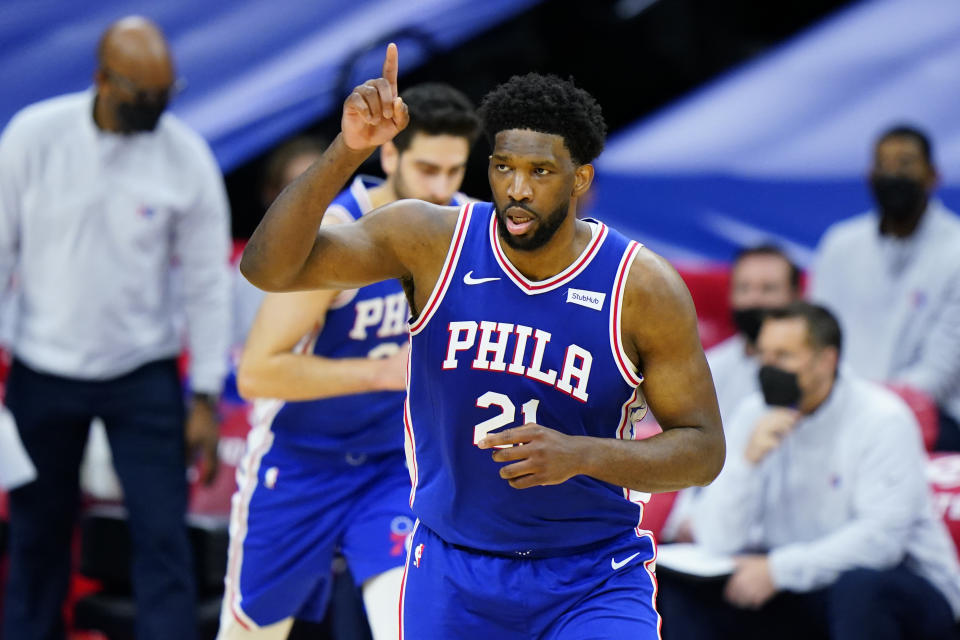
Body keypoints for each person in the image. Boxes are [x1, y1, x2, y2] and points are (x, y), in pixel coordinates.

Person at [239, 44, 724, 638]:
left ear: (581, 179)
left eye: (540, 172)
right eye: (503, 167)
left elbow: (703, 451)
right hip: (453, 571)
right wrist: (349, 150)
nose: (517, 188)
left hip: (591, 575)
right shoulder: (430, 240)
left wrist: (581, 454)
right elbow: (269, 269)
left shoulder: (641, 286)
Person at [217, 83, 480, 640]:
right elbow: (258, 371)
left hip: (393, 467)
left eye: (454, 172)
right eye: (427, 169)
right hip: (299, 464)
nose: (441, 189)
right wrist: (382, 373)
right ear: (390, 156)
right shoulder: (337, 234)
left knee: (409, 623)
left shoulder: (471, 231)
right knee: (251, 634)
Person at [0, 16, 231, 640]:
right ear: (103, 79)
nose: (155, 110)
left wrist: (205, 396)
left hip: (143, 376)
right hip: (41, 372)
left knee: (163, 541)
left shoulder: (186, 157)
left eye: (165, 97)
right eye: (142, 99)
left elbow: (207, 282)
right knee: (35, 540)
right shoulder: (32, 137)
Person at [658, 302, 960, 640]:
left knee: (860, 590)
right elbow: (718, 541)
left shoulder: (882, 418)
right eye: (763, 355)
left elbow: (882, 541)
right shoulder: (753, 413)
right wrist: (746, 464)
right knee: (678, 586)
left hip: (905, 588)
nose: (768, 368)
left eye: (784, 356)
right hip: (803, 585)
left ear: (827, 360)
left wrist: (778, 570)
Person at [811, 124, 960, 451]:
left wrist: (866, 409)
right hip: (838, 405)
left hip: (934, 416)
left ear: (933, 175)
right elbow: (813, 337)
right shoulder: (839, 244)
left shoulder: (956, 250)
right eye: (883, 165)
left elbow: (940, 374)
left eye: (905, 164)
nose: (892, 174)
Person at [661, 244, 800, 542]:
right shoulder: (705, 369)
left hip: (787, 535)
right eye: (745, 289)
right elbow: (680, 455)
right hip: (704, 532)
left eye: (768, 289)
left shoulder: (815, 375)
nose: (755, 300)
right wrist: (685, 521)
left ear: (795, 295)